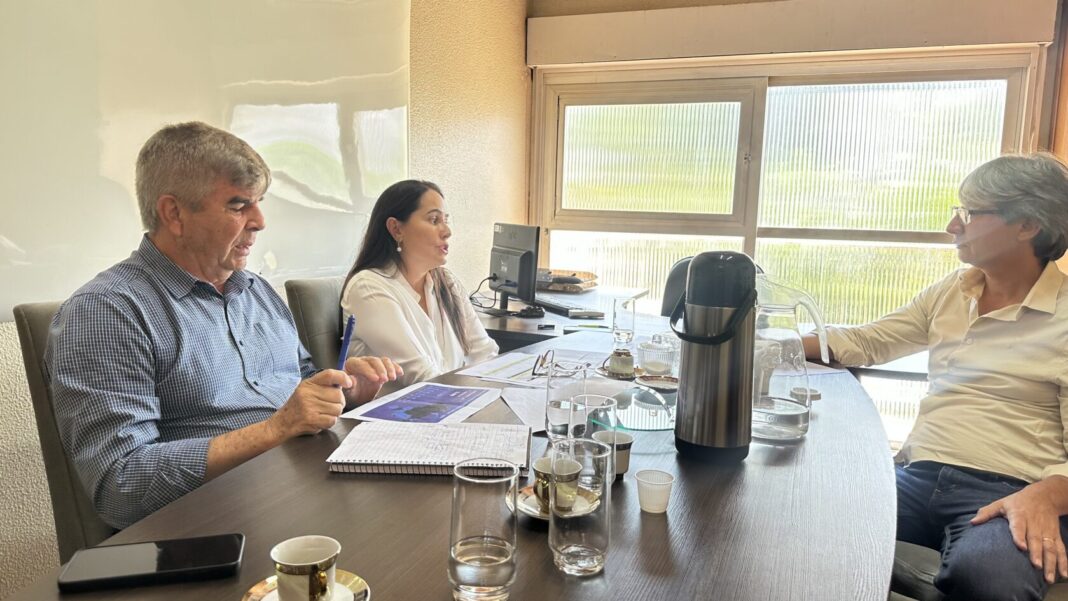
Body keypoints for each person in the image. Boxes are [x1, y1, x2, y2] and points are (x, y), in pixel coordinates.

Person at [45, 122, 402, 529]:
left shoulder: (255, 292)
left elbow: (300, 384)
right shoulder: (107, 313)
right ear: (174, 214)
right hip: (212, 528)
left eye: (259, 202)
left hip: (303, 491)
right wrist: (275, 429)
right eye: (238, 205)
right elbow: (120, 486)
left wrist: (344, 390)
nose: (260, 221)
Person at [804, 153, 1068, 600]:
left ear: (1027, 225)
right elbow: (870, 341)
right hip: (913, 474)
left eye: (969, 212)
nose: (953, 226)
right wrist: (766, 336)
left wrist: (1046, 496)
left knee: (989, 579)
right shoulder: (955, 289)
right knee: (794, 523)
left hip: (1009, 490)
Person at [340, 179, 498, 386]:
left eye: (445, 220)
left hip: (453, 405)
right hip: (403, 414)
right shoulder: (368, 288)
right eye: (434, 220)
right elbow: (420, 377)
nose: (447, 231)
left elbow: (485, 354)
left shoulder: (447, 282)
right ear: (396, 229)